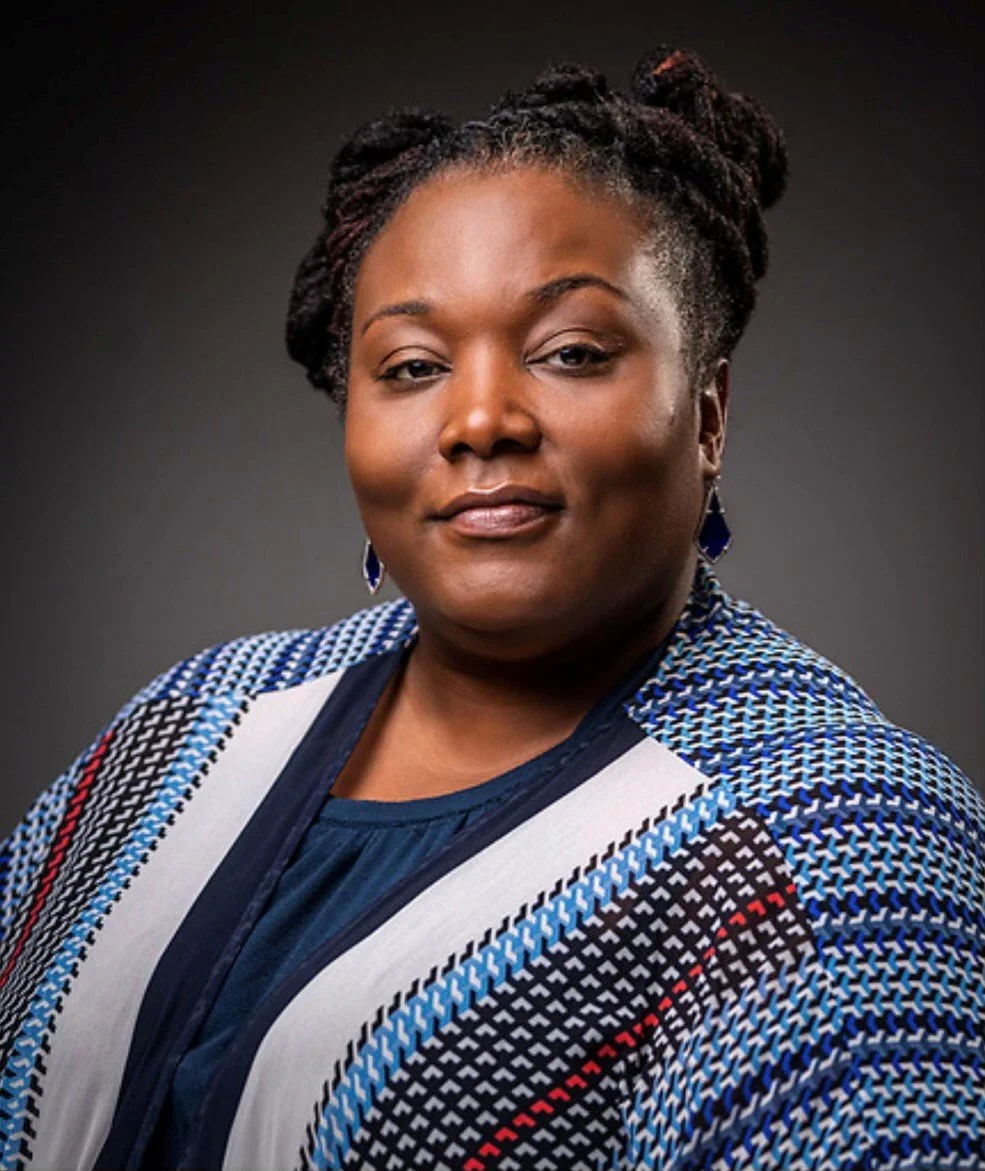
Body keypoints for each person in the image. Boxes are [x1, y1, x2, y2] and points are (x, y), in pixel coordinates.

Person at [0, 45, 980, 1171]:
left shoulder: (827, 835)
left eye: (569, 352)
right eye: (412, 366)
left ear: (707, 415)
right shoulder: (189, 725)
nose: (478, 420)